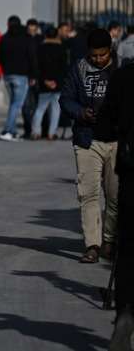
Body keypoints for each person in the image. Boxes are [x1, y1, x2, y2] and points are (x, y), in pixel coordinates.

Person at [61, 28, 118, 264]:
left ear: (110, 51)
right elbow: (65, 99)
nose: (97, 60)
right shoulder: (78, 68)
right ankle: (92, 245)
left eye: (102, 55)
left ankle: (109, 241)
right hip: (87, 140)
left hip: (116, 140)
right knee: (88, 194)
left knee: (115, 196)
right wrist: (80, 112)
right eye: (94, 56)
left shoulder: (121, 69)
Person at [100, 58, 134, 349]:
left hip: (131, 172)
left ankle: (125, 310)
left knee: (127, 249)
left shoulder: (123, 77)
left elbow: (104, 124)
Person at [0, 16, 37, 141]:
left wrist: (5, 67)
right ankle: (7, 130)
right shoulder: (26, 38)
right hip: (21, 75)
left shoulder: (4, 38)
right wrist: (33, 75)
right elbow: (32, 57)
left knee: (13, 103)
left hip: (8, 75)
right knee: (16, 104)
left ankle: (12, 130)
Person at [31, 26, 68, 140]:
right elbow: (63, 67)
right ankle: (52, 133)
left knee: (40, 108)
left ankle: (36, 132)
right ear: (56, 35)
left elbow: (38, 66)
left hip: (44, 83)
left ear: (45, 35)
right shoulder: (62, 48)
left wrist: (45, 80)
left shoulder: (40, 48)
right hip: (57, 84)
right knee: (56, 110)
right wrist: (57, 81)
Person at [21, 18, 43, 137]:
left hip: (38, 76)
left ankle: (35, 129)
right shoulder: (24, 39)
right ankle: (28, 129)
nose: (32, 31)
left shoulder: (40, 39)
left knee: (37, 105)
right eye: (30, 29)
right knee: (26, 105)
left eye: (34, 29)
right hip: (27, 75)